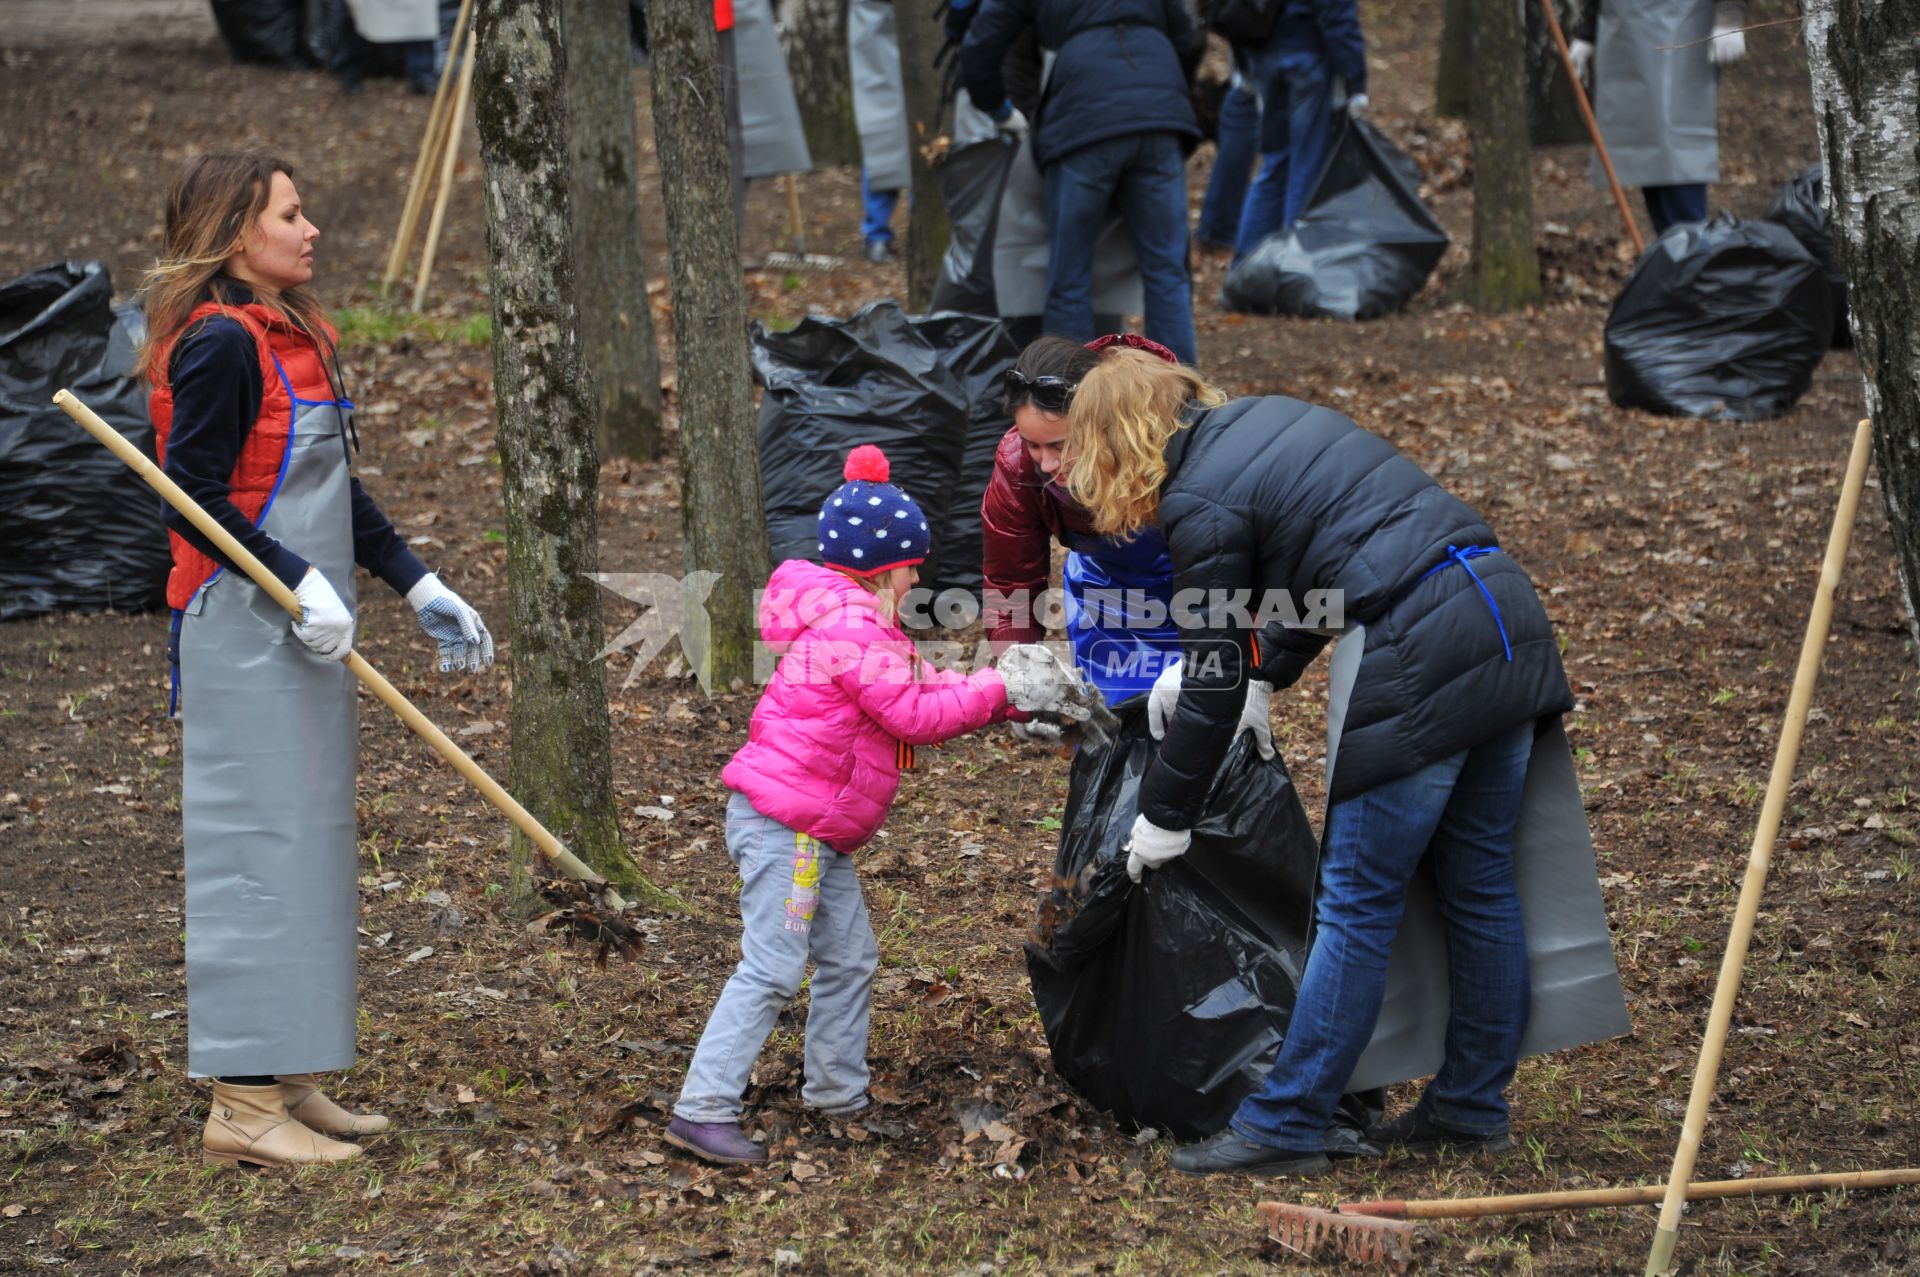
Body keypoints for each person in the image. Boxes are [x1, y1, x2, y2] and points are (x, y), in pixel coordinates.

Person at [1059, 346, 1575, 1175]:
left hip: (1423, 647)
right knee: (1477, 885)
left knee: (1356, 902)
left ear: (1119, 440)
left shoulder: (1197, 496)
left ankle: (1287, 1118)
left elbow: (1211, 682)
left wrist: (1163, 814)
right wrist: (1264, 672)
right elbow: (1329, 568)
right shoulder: (1263, 424)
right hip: (1504, 614)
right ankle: (1473, 1104)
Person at [140, 154, 495, 1169]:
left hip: (303, 629)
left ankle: (285, 1068)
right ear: (236, 231)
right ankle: (242, 1104)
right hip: (240, 631)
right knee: (256, 848)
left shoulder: (294, 334)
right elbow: (193, 496)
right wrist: (295, 579)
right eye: (291, 215)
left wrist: (414, 581)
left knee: (306, 845)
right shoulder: (217, 345)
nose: (313, 230)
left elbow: (337, 491)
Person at [666, 447, 1081, 1165]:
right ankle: (702, 1107)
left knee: (850, 955)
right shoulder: (852, 629)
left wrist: (1006, 701)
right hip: (790, 833)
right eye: (911, 567)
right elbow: (916, 717)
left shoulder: (857, 624)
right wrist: (1003, 686)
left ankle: (835, 1090)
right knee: (772, 965)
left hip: (813, 833)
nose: (918, 578)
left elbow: (924, 695)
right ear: (881, 569)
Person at [982, 335, 1266, 752]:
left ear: (1101, 424)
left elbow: (1251, 558)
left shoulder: (1173, 442)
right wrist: (1021, 673)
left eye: (1061, 445)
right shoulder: (1017, 464)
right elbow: (1010, 584)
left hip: (1202, 583)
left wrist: (1247, 661)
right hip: (1106, 592)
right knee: (1111, 735)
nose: (1046, 463)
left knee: (1207, 722)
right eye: (1033, 444)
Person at [960, 0, 1203, 365]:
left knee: (1070, 276)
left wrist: (999, 110)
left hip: (1082, 122)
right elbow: (1188, 39)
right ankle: (1184, 402)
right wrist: (1158, 91)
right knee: (1167, 272)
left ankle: (1069, 398)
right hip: (1159, 121)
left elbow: (981, 47)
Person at [1569, 0, 1747, 234]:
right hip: (1626, 34)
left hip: (1683, 28)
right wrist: (1587, 32)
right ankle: (1672, 252)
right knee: (1648, 151)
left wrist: (1730, 13)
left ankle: (1690, 253)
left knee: (1679, 149)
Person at [1231, 0, 1368, 261]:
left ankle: (1245, 266)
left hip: (1262, 54)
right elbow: (1337, 14)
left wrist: (1243, 62)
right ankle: (1294, 267)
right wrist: (1356, 80)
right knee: (1306, 166)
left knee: (1274, 162)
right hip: (1305, 56)